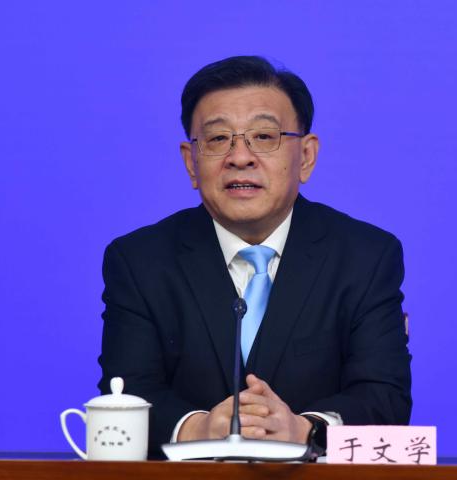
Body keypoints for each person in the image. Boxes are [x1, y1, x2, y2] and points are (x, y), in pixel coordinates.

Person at [98, 55, 412, 459]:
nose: (240, 157)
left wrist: (304, 430)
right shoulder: (140, 261)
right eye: (217, 139)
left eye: (264, 136)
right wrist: (199, 429)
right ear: (191, 162)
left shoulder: (366, 256)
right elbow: (126, 392)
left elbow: (385, 398)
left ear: (307, 157)